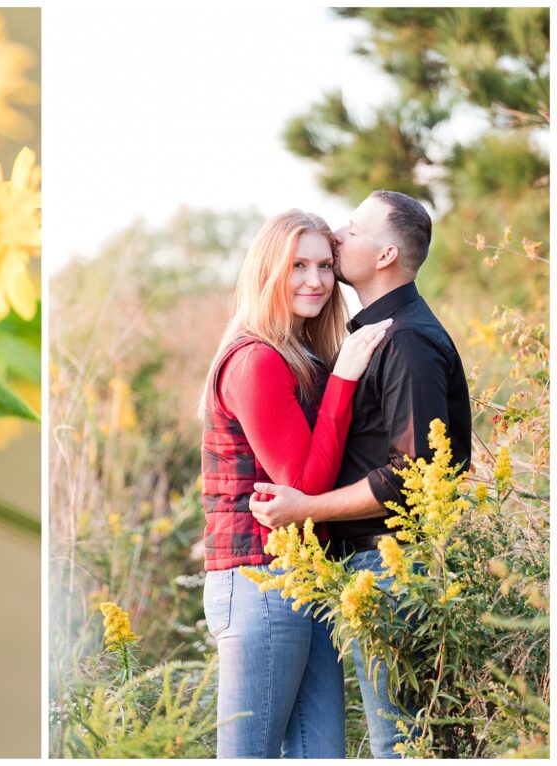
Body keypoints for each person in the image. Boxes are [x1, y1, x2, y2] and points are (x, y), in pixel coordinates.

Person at [249, 191, 472, 758]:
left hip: (395, 568)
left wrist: (306, 509)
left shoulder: (405, 340)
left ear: (386, 254)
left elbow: (414, 476)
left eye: (353, 229)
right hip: (373, 568)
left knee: (396, 742)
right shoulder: (372, 333)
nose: (338, 235)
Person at [199, 208, 391, 758]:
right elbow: (304, 483)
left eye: (325, 265)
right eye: (297, 265)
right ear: (268, 271)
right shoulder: (257, 360)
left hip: (307, 577)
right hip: (261, 580)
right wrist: (345, 378)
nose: (315, 280)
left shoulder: (299, 354)